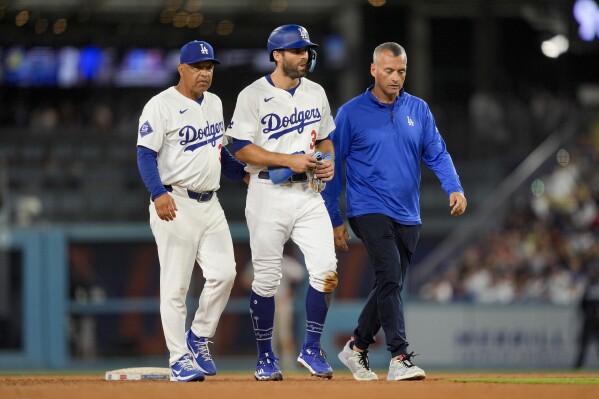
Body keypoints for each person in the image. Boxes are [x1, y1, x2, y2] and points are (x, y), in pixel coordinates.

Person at [322, 42, 467, 381]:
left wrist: (454, 187)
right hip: (367, 208)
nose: (396, 77)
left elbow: (437, 153)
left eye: (401, 71)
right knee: (389, 277)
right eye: (389, 70)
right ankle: (399, 356)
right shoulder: (350, 113)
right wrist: (334, 217)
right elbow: (333, 167)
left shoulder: (418, 110)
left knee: (390, 283)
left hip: (408, 214)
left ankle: (356, 347)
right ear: (373, 70)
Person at [226, 24, 338, 381]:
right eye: (296, 50)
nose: (303, 56)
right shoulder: (253, 95)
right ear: (277, 55)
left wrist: (327, 160)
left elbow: (324, 140)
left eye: (306, 50)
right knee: (266, 280)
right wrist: (287, 159)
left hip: (308, 193)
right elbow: (240, 147)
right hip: (266, 193)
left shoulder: (316, 92)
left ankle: (311, 348)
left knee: (327, 270)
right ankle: (265, 357)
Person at [136, 40, 247, 382]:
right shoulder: (161, 105)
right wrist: (157, 193)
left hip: (209, 203)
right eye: (198, 67)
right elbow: (144, 154)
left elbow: (220, 153)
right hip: (174, 201)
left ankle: (198, 336)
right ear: (181, 69)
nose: (205, 73)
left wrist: (242, 173)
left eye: (209, 67)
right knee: (176, 287)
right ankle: (178, 358)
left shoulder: (213, 103)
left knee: (226, 273)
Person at [574, 269, 599, 369]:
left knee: (585, 343)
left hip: (591, 318)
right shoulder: (588, 287)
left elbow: (582, 304)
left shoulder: (588, 287)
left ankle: (579, 365)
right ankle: (579, 365)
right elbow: (582, 304)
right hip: (589, 318)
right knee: (584, 343)